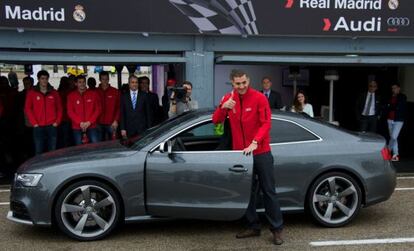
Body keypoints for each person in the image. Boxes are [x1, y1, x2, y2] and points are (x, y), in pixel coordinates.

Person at [212, 69, 284, 245]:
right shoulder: (228, 99)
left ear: (248, 80)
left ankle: (277, 229)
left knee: (268, 191)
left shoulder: (259, 98)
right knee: (247, 192)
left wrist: (254, 142)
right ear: (232, 83)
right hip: (241, 155)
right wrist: (224, 108)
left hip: (261, 152)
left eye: (244, 82)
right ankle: (253, 226)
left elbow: (266, 123)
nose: (242, 86)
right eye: (238, 83)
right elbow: (216, 121)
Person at [24, 70, 62, 155]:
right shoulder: (32, 93)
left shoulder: (54, 92)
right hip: (38, 126)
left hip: (52, 126)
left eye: (46, 78)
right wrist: (34, 123)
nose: (44, 80)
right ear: (38, 79)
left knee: (52, 150)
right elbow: (28, 108)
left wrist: (57, 122)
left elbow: (59, 108)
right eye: (42, 78)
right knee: (38, 150)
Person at [67, 75, 101, 145]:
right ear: (75, 83)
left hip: (92, 126)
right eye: (80, 82)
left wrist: (89, 122)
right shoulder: (71, 96)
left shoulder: (93, 94)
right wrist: (80, 123)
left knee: (95, 146)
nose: (82, 84)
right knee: (79, 148)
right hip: (77, 126)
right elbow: (70, 111)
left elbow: (98, 109)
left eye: (83, 82)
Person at [385, 84, 407, 162]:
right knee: (394, 138)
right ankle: (395, 155)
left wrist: (389, 105)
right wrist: (390, 106)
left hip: (398, 120)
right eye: (392, 88)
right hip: (390, 120)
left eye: (394, 88)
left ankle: (387, 151)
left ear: (399, 88)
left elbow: (397, 106)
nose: (393, 89)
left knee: (393, 137)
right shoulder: (390, 97)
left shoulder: (402, 96)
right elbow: (386, 107)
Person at [97, 71, 120, 141]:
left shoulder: (115, 91)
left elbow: (119, 107)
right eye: (103, 79)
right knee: (99, 144)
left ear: (109, 79)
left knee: (113, 143)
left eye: (106, 79)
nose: (105, 81)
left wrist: (116, 120)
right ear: (100, 80)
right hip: (98, 123)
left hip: (111, 123)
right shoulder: (95, 92)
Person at [57, 76, 73, 148]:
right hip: (67, 117)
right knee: (67, 137)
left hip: (59, 118)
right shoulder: (69, 92)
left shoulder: (58, 92)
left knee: (60, 137)